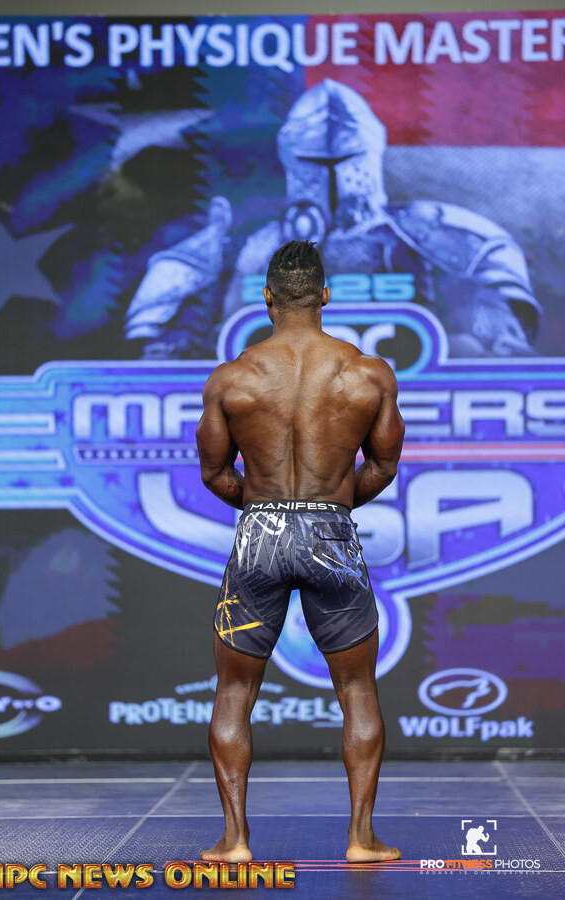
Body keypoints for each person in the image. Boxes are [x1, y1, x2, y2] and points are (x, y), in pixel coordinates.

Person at [195, 240, 405, 864]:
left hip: (258, 532)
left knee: (234, 692)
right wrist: (327, 507)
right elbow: (384, 465)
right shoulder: (367, 374)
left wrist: (268, 509)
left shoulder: (232, 378)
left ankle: (234, 842)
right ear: (325, 296)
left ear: (266, 298)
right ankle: (361, 839)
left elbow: (214, 473)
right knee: (358, 690)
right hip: (330, 533)